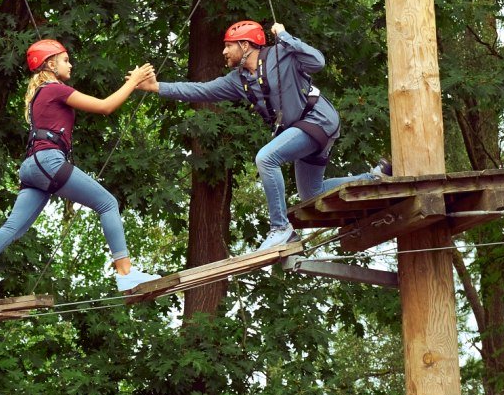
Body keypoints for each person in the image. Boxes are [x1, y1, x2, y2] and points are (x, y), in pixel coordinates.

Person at [138, 20, 388, 251]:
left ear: (245, 45)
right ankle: (375, 178)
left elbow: (317, 62)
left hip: (318, 120)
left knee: (266, 158)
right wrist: (157, 87)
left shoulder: (282, 54)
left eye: (228, 46)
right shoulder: (238, 80)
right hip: (305, 129)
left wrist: (285, 36)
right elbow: (200, 90)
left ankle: (281, 229)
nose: (224, 52)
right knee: (311, 194)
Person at [0, 39, 164, 304]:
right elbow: (105, 106)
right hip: (47, 161)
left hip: (33, 166)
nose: (70, 64)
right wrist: (134, 82)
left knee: (13, 227)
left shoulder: (43, 94)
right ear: (51, 64)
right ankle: (126, 272)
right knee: (108, 203)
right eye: (65, 60)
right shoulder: (54, 89)